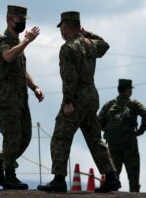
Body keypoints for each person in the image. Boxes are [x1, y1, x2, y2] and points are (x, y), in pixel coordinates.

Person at [37, 11, 121, 193]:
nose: (61, 31)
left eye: (62, 28)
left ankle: (59, 179)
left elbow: (69, 77)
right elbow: (105, 45)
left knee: (60, 136)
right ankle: (112, 176)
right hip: (92, 96)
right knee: (94, 138)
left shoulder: (68, 48)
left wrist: (68, 101)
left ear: (66, 26)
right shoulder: (90, 44)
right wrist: (87, 33)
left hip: (76, 98)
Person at [0, 5, 44, 190]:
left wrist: (34, 87)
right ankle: (9, 175)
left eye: (25, 20)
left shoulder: (18, 43)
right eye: (20, 20)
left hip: (21, 100)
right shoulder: (1, 40)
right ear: (10, 20)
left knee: (25, 137)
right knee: (12, 138)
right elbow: (8, 57)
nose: (23, 23)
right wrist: (26, 41)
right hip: (7, 100)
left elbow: (22, 70)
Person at [99, 79, 146, 192]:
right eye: (130, 89)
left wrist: (108, 130)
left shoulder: (110, 104)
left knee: (113, 175)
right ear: (128, 90)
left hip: (113, 145)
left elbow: (99, 120)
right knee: (133, 175)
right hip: (130, 144)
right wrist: (139, 131)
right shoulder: (133, 104)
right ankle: (134, 193)